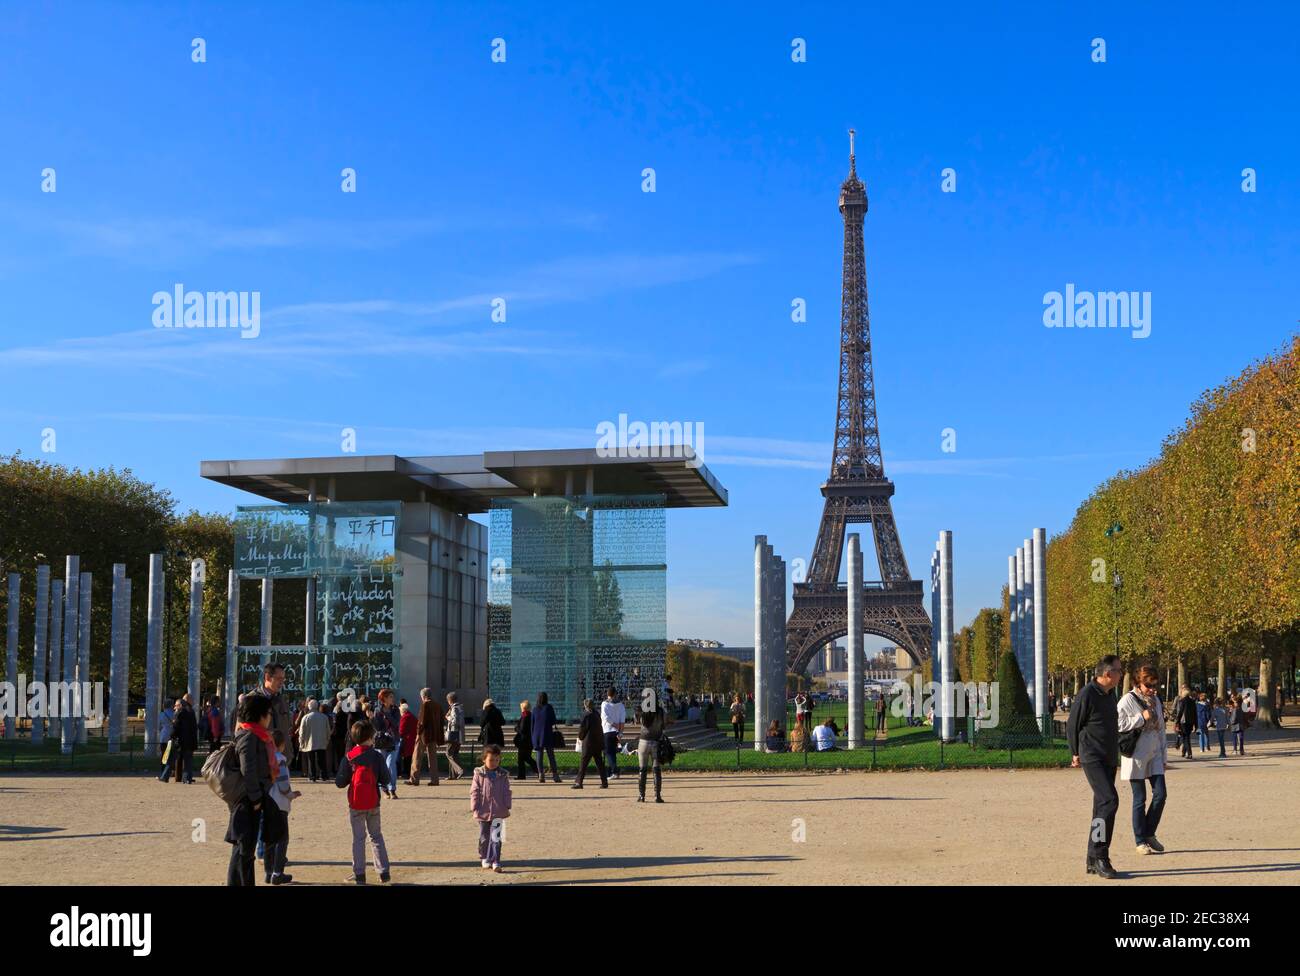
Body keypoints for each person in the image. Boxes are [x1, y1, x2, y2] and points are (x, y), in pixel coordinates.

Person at [1067, 655, 1123, 879]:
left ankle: (1092, 858)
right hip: (1092, 756)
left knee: (1101, 807)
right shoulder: (1087, 694)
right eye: (1119, 670)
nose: (1122, 674)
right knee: (1110, 800)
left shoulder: (1110, 694)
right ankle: (1101, 856)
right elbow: (1073, 724)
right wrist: (1075, 752)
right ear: (1108, 674)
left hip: (1108, 757)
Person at [225, 694, 284, 886]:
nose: (269, 717)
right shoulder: (248, 736)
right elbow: (248, 770)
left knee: (244, 848)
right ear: (259, 715)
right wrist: (256, 798)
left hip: (255, 796)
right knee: (244, 849)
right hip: (248, 799)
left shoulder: (257, 734)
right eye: (268, 713)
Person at [1118, 665, 1168, 857]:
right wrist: (1141, 717)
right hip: (1136, 754)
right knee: (1140, 798)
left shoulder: (1156, 700)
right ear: (1138, 684)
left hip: (1154, 751)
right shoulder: (1127, 700)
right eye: (1149, 686)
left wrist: (1164, 756)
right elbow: (1119, 724)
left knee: (1161, 794)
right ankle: (1140, 840)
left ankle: (1149, 832)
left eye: (1155, 686)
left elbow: (1161, 729)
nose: (1153, 690)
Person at [335, 719, 391, 885]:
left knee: (358, 838)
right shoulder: (377, 756)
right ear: (370, 737)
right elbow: (386, 778)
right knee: (376, 836)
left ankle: (359, 874)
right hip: (373, 802)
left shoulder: (350, 757)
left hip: (356, 804)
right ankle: (383, 872)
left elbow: (339, 783)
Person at [264, 729, 300, 884]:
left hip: (268, 801)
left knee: (269, 840)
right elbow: (283, 782)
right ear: (282, 745)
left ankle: (268, 871)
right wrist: (291, 795)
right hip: (279, 803)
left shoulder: (266, 759)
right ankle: (277, 873)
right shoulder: (280, 760)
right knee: (282, 839)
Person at [470, 743, 512, 873]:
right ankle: (484, 856)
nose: (494, 762)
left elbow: (506, 790)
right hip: (483, 810)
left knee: (496, 837)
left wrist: (507, 804)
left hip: (498, 810)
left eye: (497, 760)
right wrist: (474, 805)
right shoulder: (479, 773)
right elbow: (474, 790)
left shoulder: (503, 775)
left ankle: (496, 861)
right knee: (484, 837)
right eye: (491, 760)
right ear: (484, 759)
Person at [252, 663, 295, 766]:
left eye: (283, 679)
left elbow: (287, 727)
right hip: (261, 761)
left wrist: (288, 753)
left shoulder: (282, 700)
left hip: (282, 760)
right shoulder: (252, 700)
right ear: (267, 677)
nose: (282, 682)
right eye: (279, 678)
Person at [410, 687, 446, 786]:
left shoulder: (425, 705)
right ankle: (435, 780)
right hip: (434, 735)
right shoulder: (438, 705)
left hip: (424, 735)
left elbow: (421, 721)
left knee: (417, 756)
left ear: (424, 696)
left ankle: (414, 779)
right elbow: (442, 721)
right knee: (433, 758)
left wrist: (418, 733)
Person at [573, 698, 609, 789]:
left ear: (585, 705)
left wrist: (580, 737)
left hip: (589, 742)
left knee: (583, 763)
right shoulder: (596, 714)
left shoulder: (586, 715)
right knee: (599, 763)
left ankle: (579, 782)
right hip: (598, 741)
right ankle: (604, 782)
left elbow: (583, 729)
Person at [637, 692, 666, 803]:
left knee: (642, 769)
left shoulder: (643, 711)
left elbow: (638, 722)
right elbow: (663, 725)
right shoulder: (660, 711)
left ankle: (641, 795)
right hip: (656, 741)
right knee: (656, 770)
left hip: (643, 741)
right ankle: (657, 796)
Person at [530, 691, 561, 783]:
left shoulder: (535, 709)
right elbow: (553, 721)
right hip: (547, 734)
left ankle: (541, 775)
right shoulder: (549, 707)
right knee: (551, 755)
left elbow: (532, 723)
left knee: (539, 755)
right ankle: (555, 775)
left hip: (537, 735)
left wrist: (533, 736)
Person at [166, 698, 198, 784]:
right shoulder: (191, 713)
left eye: (176, 705)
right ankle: (187, 778)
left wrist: (171, 736)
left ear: (180, 705)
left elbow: (176, 727)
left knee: (176, 759)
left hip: (181, 741)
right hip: (190, 740)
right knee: (188, 760)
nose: (174, 708)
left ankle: (177, 777)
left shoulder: (179, 713)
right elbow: (194, 727)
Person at [298, 699, 331, 783]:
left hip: (310, 741)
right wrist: (327, 739)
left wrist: (301, 742)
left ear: (309, 707)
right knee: (322, 759)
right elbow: (328, 730)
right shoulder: (324, 717)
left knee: (311, 760)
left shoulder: (306, 717)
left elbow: (302, 731)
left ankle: (312, 776)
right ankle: (324, 775)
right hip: (321, 740)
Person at [601, 687, 626, 779]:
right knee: (613, 752)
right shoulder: (621, 705)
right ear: (615, 694)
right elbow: (622, 721)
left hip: (607, 731)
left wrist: (614, 724)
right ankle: (612, 771)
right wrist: (620, 732)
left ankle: (614, 771)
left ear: (607, 694)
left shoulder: (604, 704)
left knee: (608, 752)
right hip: (616, 732)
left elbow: (605, 717)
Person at [444, 692, 467, 781]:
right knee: (454, 754)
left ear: (449, 700)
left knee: (448, 753)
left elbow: (455, 721)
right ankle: (452, 775)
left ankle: (459, 770)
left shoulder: (455, 708)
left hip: (453, 734)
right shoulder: (460, 708)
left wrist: (447, 718)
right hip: (459, 735)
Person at [513, 700, 539, 781]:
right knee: (527, 757)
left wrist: (516, 728)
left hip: (523, 741)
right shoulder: (531, 715)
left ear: (523, 708)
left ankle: (523, 775)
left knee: (522, 758)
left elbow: (522, 729)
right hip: (530, 740)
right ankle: (537, 771)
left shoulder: (525, 715)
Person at [1173, 686, 1196, 759]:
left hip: (1183, 721)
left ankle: (1189, 753)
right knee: (1186, 737)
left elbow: (1180, 712)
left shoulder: (1182, 701)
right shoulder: (1192, 701)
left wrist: (1177, 721)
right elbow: (1195, 713)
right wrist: (1196, 724)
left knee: (1185, 738)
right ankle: (1184, 752)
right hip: (1190, 721)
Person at [398, 701, 418, 779]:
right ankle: (409, 772)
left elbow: (401, 730)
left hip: (408, 740)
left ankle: (407, 773)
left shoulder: (405, 717)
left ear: (402, 710)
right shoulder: (411, 715)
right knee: (410, 757)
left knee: (407, 757)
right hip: (412, 739)